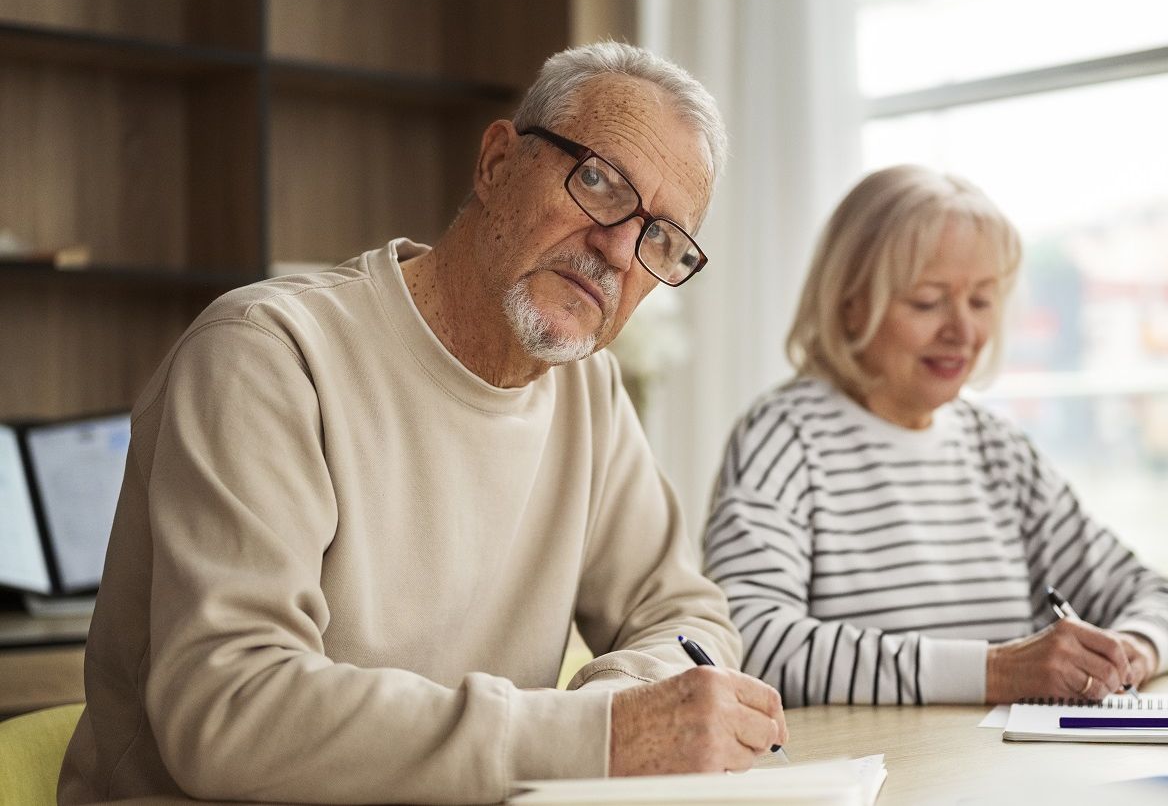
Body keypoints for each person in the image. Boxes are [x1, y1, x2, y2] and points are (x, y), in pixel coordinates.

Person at [59, 42, 786, 805]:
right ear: (497, 163)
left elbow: (681, 616)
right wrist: (593, 737)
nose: (617, 249)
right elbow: (231, 710)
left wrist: (626, 704)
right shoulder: (267, 354)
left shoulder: (589, 392)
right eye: (599, 181)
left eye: (660, 237)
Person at [703, 165, 1168, 708]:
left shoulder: (999, 451)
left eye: (982, 301)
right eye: (927, 301)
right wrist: (995, 672)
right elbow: (748, 639)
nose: (963, 331)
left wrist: (1131, 651)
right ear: (850, 305)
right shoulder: (784, 438)